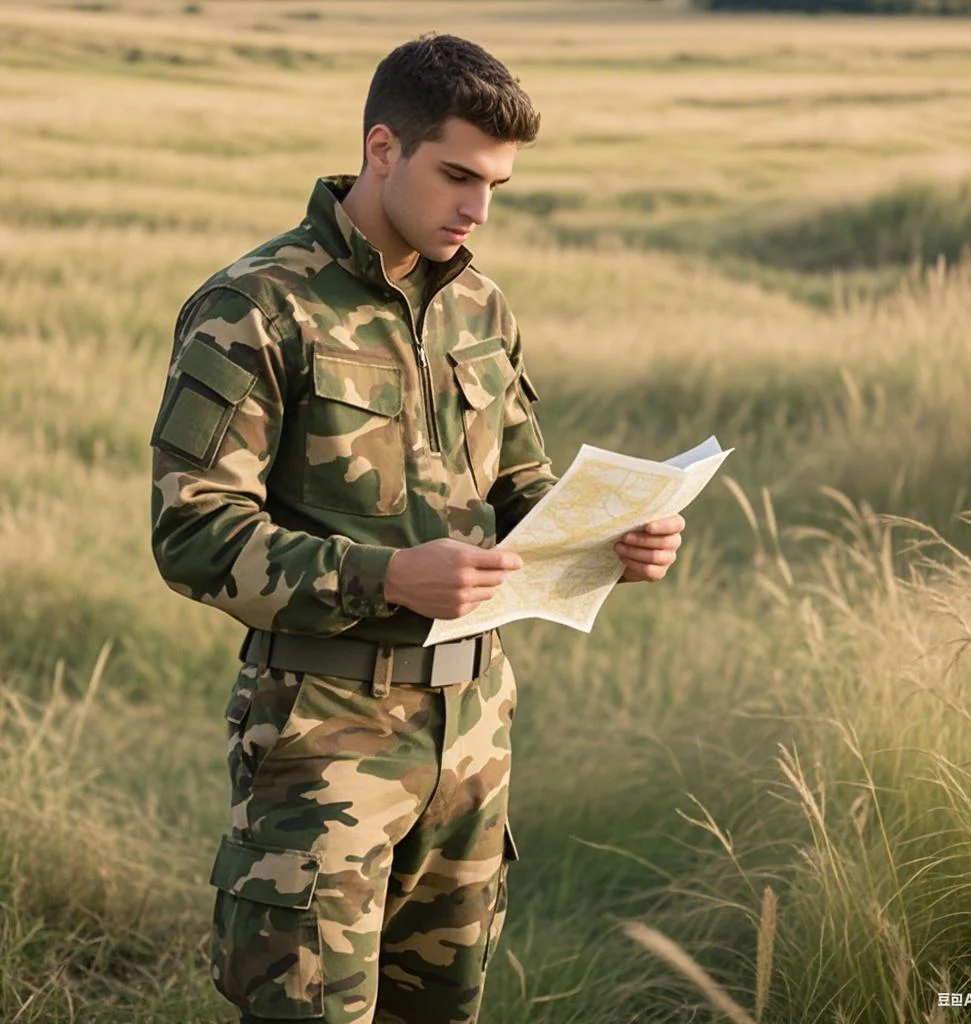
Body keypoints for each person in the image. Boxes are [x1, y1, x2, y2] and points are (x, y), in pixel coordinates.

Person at [149, 33, 685, 1024]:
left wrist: (618, 542)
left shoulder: (480, 306)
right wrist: (389, 577)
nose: (479, 209)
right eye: (458, 176)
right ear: (383, 149)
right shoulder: (258, 306)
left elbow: (523, 495)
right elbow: (194, 533)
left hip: (475, 736)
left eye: (498, 184)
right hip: (322, 742)